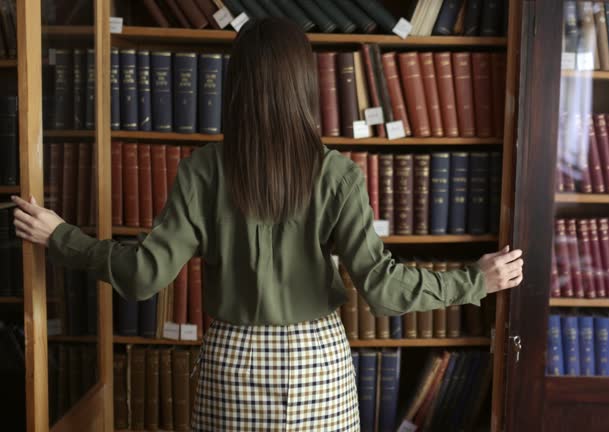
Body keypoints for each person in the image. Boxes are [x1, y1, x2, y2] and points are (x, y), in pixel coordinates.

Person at [12, 18, 524, 432]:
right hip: (317, 365)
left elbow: (145, 274)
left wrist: (62, 236)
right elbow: (384, 291)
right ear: (305, 84)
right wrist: (476, 279)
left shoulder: (203, 169)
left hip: (232, 362)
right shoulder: (337, 172)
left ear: (236, 86)